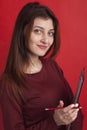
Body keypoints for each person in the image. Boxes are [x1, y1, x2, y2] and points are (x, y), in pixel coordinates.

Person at [0, 2, 83, 130]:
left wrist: (71, 115)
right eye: (38, 31)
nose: (46, 40)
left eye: (50, 33)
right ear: (23, 31)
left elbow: (75, 109)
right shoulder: (9, 83)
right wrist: (54, 121)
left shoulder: (52, 66)